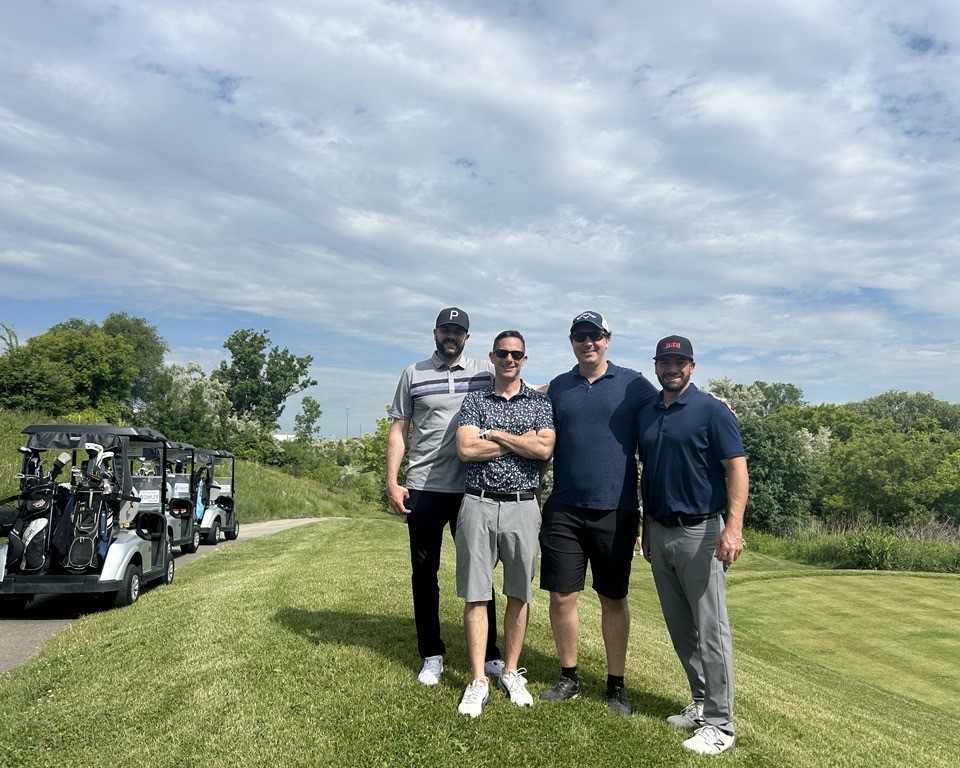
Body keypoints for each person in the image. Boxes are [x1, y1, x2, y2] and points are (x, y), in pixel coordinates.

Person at [539, 311, 658, 715]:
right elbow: (528, 394)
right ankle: (569, 676)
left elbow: (669, 401)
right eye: (580, 336)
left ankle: (615, 685)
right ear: (571, 341)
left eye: (595, 335)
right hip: (564, 509)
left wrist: (709, 398)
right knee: (562, 597)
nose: (587, 342)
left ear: (608, 339)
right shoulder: (560, 386)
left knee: (613, 598)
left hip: (616, 510)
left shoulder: (633, 384)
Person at [638, 335, 748, 755]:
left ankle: (721, 725)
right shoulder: (649, 412)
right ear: (656, 365)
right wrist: (647, 526)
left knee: (711, 631)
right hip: (661, 530)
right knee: (681, 628)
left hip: (701, 532)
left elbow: (736, 468)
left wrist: (733, 527)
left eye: (679, 362)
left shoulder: (712, 410)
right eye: (665, 362)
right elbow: (649, 473)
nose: (672, 369)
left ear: (692, 366)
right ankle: (701, 703)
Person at [385, 308, 504, 686]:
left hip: (472, 488)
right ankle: (431, 653)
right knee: (424, 573)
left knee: (480, 573)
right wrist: (392, 481)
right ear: (435, 332)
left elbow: (523, 389)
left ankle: (490, 653)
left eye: (458, 331)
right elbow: (399, 429)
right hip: (423, 486)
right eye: (446, 330)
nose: (451, 336)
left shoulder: (485, 371)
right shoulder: (413, 374)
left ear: (467, 337)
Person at [453, 330, 555, 718]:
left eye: (516, 354)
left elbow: (543, 448)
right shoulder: (476, 400)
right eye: (502, 353)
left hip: (522, 507)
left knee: (518, 592)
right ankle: (478, 679)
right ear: (493, 357)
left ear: (524, 359)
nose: (509, 359)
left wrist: (493, 434)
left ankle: (510, 671)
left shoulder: (539, 403)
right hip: (477, 504)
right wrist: (517, 440)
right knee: (476, 594)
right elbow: (466, 449)